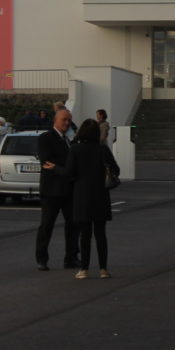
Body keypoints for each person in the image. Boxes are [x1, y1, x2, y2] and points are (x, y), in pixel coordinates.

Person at [45, 118, 119, 279]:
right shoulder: (102, 149)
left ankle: (84, 269)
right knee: (100, 234)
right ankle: (103, 269)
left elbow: (68, 173)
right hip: (101, 195)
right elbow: (116, 170)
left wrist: (55, 168)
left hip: (82, 195)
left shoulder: (76, 149)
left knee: (85, 234)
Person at [35, 108, 79, 271]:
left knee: (73, 225)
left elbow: (66, 163)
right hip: (51, 191)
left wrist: (61, 167)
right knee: (47, 225)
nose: (67, 123)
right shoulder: (46, 138)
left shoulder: (69, 140)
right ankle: (41, 258)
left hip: (68, 190)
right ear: (56, 120)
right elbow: (46, 161)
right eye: (64, 120)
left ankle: (71, 257)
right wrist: (66, 168)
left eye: (69, 120)